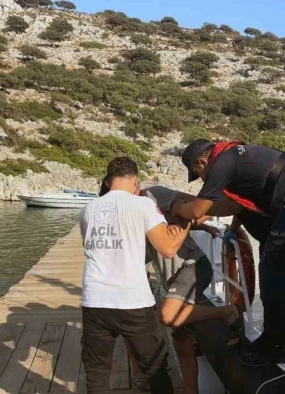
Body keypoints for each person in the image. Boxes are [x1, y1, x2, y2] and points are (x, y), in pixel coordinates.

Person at [172, 138, 285, 366]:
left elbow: (197, 210)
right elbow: (234, 206)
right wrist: (232, 230)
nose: (201, 178)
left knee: (273, 270)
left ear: (202, 161)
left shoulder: (222, 162)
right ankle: (281, 342)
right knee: (279, 270)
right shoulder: (234, 156)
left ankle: (276, 345)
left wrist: (176, 207)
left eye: (198, 174)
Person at [79, 156, 193, 394]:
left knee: (97, 372)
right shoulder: (143, 205)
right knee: (155, 368)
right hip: (133, 301)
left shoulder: (88, 209)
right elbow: (167, 249)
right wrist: (185, 226)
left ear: (108, 182)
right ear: (135, 180)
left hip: (94, 300)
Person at [139, 183, 243, 394]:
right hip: (172, 279)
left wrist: (188, 222)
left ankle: (227, 312)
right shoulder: (132, 217)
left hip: (193, 264)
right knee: (181, 341)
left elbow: (192, 208)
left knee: (168, 315)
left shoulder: (152, 194)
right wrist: (200, 227)